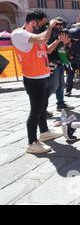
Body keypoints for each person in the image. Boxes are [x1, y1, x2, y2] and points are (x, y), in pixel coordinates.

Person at [11, 10, 64, 154]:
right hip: (33, 79)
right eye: (42, 24)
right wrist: (51, 26)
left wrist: (59, 40)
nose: (44, 27)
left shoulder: (35, 37)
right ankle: (32, 142)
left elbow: (46, 50)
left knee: (43, 106)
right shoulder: (19, 34)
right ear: (33, 23)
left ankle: (44, 132)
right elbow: (41, 39)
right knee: (36, 109)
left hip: (43, 76)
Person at [47, 17, 73, 112]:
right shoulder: (48, 34)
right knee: (53, 86)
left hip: (60, 62)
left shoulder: (60, 34)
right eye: (58, 24)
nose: (60, 27)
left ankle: (60, 104)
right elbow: (48, 50)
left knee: (61, 85)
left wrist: (66, 44)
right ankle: (42, 106)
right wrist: (59, 41)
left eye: (61, 25)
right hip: (52, 62)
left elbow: (61, 49)